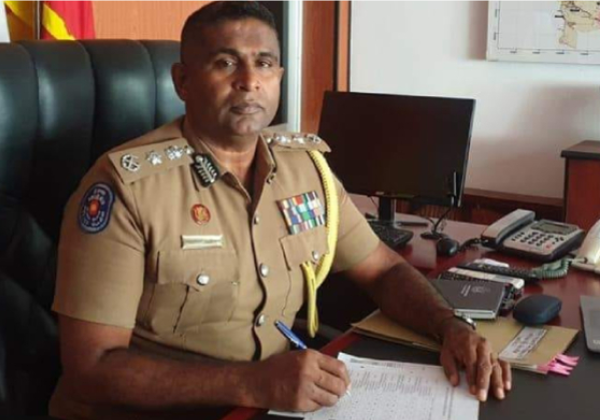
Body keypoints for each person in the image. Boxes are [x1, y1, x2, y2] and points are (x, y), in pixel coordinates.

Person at [49, 1, 512, 419]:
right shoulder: (125, 188)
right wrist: (253, 384)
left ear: (279, 77)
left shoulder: (305, 168)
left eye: (264, 63)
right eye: (225, 62)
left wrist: (451, 326)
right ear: (183, 81)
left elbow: (383, 269)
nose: (249, 80)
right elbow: (91, 369)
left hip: (269, 404)